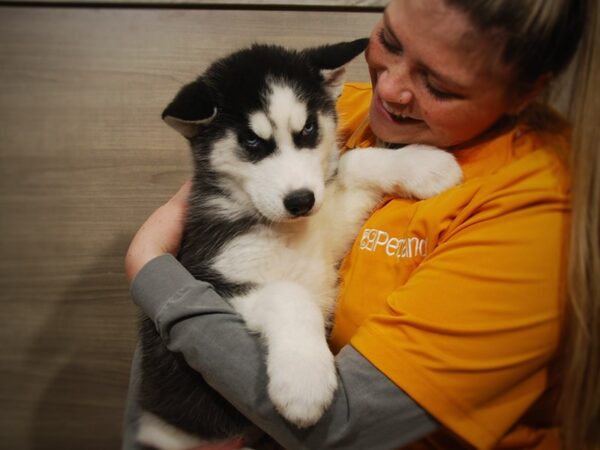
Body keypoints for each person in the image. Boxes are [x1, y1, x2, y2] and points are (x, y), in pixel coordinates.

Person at [122, 0, 599, 449]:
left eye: (439, 85)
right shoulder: (341, 110)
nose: (388, 89)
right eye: (389, 41)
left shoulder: (536, 212)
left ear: (526, 91)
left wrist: (151, 270)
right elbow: (193, 295)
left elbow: (345, 429)